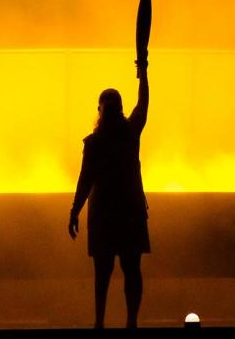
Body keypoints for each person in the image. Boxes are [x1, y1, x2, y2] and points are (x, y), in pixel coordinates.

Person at [69, 61, 150, 329]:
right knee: (131, 269)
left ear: (99, 111)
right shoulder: (130, 134)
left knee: (103, 273)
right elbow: (144, 104)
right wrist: (143, 74)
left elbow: (85, 180)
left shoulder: (95, 143)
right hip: (128, 211)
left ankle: (100, 323)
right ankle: (130, 323)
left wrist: (74, 211)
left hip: (105, 213)